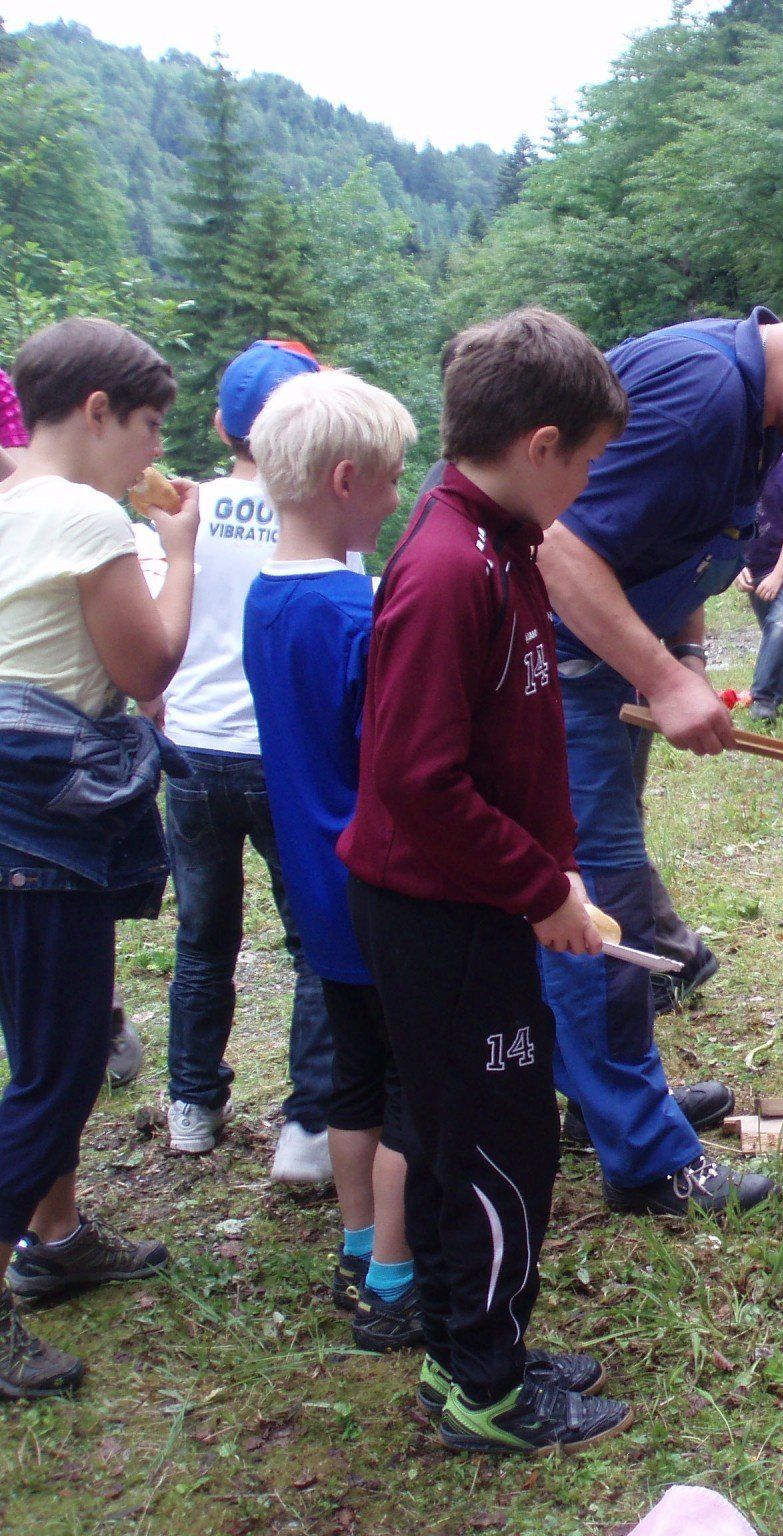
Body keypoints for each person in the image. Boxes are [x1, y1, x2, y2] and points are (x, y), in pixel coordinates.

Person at [533, 286, 783, 1219]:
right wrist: (663, 681)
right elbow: (557, 547)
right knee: (601, 897)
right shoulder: (705, 391)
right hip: (552, 665)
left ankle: (603, 1106)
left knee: (600, 890)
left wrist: (678, 656)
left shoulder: (751, 416)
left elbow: (671, 543)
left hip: (595, 666)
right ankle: (641, 1155)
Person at [339, 308, 633, 1454]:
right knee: (498, 1142)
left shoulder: (498, 546)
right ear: (544, 443)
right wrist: (539, 887)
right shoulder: (447, 570)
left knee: (473, 1130)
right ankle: (490, 1395)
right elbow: (415, 782)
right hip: (443, 910)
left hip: (470, 902)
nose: (590, 484)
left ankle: (478, 1344)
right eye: (592, 462)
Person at [0, 318, 194, 1398]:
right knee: (60, 1071)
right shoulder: (84, 516)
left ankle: (59, 1237)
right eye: (149, 427)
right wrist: (180, 554)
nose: (151, 452)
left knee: (39, 1044)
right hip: (37, 833)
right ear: (95, 413)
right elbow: (145, 663)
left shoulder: (11, 504)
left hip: (15, 824)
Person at [242, 369, 424, 1351]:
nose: (400, 498)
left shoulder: (265, 600)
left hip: (314, 888)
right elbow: (391, 761)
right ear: (345, 481)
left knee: (352, 1073)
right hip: (378, 885)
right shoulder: (356, 614)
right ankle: (398, 1280)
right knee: (408, 1086)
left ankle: (359, 1246)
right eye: (393, 480)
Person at [158, 339, 338, 1183]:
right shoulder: (319, 516)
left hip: (190, 750)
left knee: (202, 938)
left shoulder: (176, 516)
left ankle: (192, 1103)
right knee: (310, 939)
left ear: (221, 423)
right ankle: (307, 1125)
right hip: (280, 757)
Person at [735, 450, 783, 721]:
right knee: (775, 635)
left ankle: (763, 697)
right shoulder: (736, 467)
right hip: (752, 567)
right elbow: (727, 521)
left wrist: (778, 575)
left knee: (779, 623)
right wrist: (735, 564)